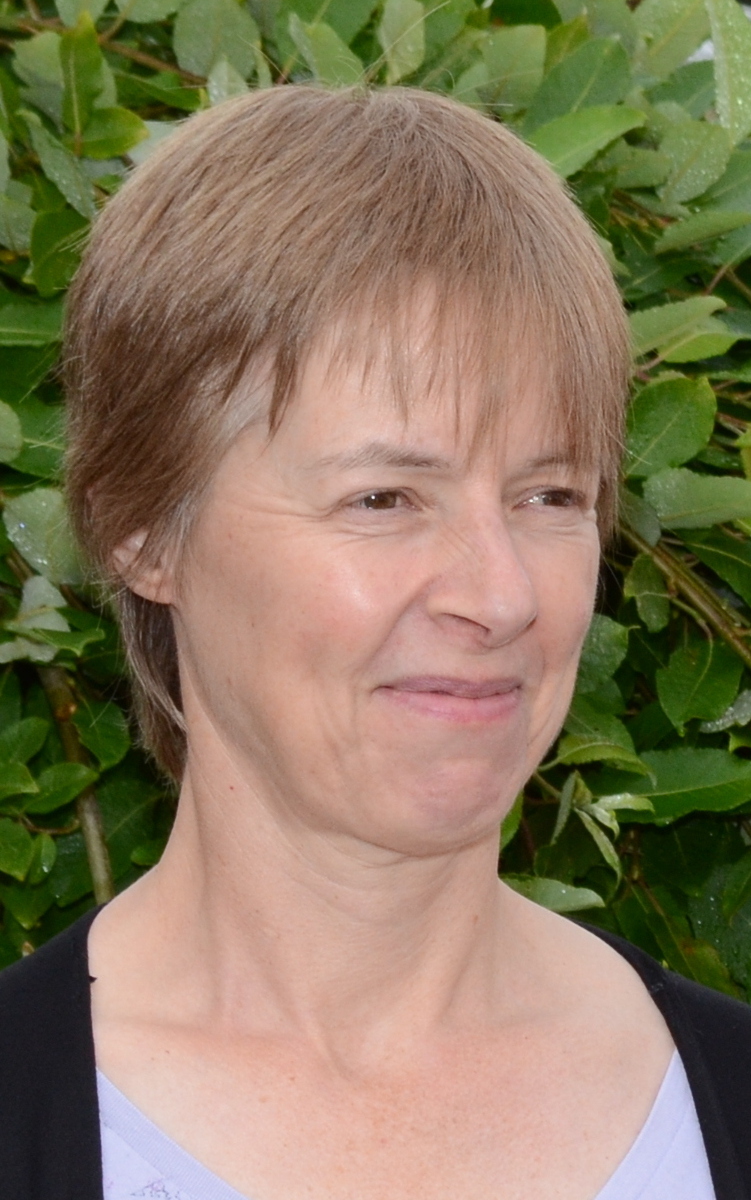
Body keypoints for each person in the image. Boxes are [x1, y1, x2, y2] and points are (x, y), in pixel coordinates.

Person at [0, 84, 749, 1200]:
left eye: (548, 495)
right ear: (141, 529)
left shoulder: (723, 1099)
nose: (501, 596)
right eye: (384, 499)